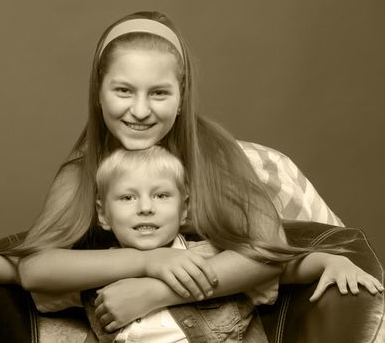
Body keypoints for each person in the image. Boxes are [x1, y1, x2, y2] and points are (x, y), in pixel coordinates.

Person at [0, 10, 383, 335]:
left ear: (182, 97)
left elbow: (268, 252)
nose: (139, 111)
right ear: (98, 92)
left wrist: (153, 291)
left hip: (283, 206)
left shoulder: (224, 160)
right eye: (123, 91)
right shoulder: (83, 170)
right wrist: (148, 262)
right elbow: (38, 265)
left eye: (159, 94)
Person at [20, 145, 382, 343]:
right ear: (103, 215)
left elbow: (281, 266)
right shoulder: (95, 271)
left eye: (160, 196)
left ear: (185, 210)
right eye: (128, 199)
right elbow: (29, 272)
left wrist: (330, 262)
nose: (145, 207)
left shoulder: (205, 257)